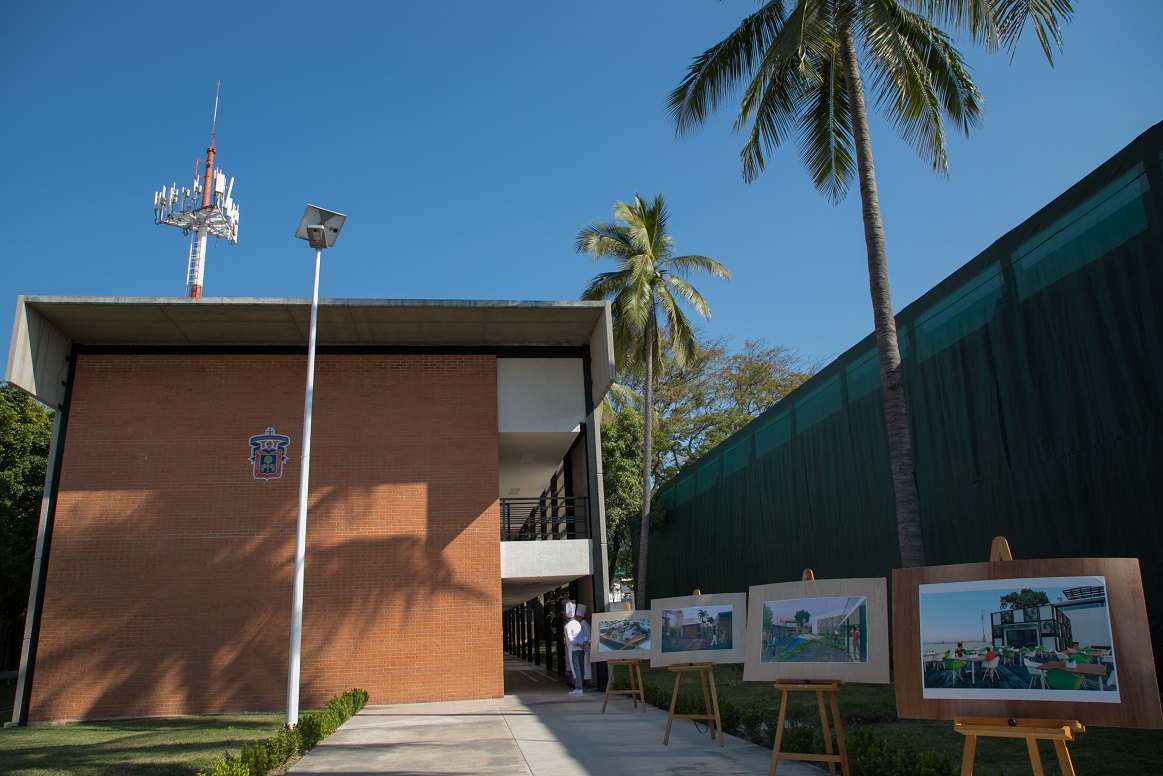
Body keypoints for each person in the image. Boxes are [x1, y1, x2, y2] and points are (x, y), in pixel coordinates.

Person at [563, 602, 584, 695]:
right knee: (581, 667)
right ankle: (581, 686)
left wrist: (578, 644)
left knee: (576, 668)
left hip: (574, 649)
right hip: (581, 649)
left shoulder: (567, 626)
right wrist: (582, 644)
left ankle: (579, 687)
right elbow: (583, 635)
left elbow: (570, 639)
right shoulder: (578, 623)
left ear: (566, 616)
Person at [576, 603, 593, 689]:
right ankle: (586, 680)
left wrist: (584, 645)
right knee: (584, 663)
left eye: (577, 616)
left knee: (586, 663)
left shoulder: (584, 624)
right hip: (583, 646)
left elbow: (588, 636)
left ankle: (588, 681)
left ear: (581, 617)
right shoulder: (582, 624)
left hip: (585, 646)